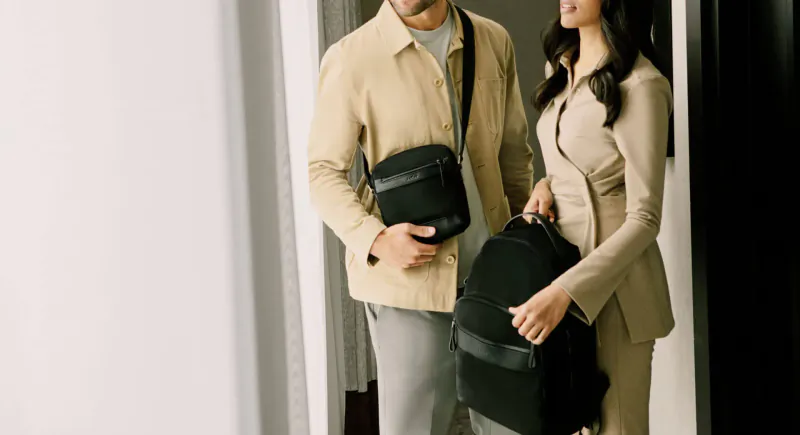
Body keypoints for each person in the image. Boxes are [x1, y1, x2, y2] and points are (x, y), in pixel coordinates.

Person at [307, 0, 533, 434]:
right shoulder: (352, 58)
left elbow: (513, 153)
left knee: (511, 423)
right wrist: (376, 240)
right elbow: (322, 173)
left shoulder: (492, 39)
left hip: (495, 281)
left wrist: (525, 246)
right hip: (407, 290)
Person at [503, 0, 675, 434]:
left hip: (616, 293)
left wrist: (565, 292)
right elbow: (569, 161)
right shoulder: (560, 69)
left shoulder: (641, 85)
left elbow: (645, 218)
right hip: (559, 270)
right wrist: (545, 186)